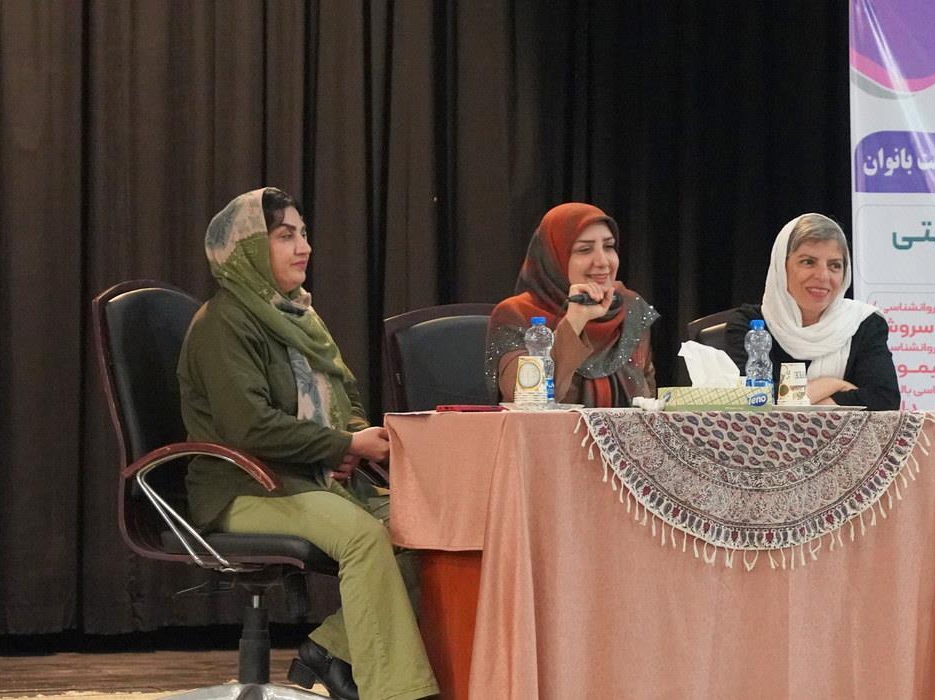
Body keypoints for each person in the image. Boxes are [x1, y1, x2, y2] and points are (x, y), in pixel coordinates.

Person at [177, 188, 438, 700]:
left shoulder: (299, 316)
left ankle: (330, 651)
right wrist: (340, 444)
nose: (304, 247)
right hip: (242, 487)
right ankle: (395, 693)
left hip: (302, 477)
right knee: (364, 537)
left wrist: (347, 442)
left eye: (303, 233)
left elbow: (345, 398)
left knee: (426, 528)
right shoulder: (223, 323)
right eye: (285, 236)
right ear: (249, 249)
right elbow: (250, 428)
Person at [486, 202, 660, 407]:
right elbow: (525, 398)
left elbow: (649, 399)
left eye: (609, 246)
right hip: (548, 428)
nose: (603, 262)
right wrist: (574, 322)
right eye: (584, 249)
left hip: (626, 428)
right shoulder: (515, 313)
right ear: (553, 257)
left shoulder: (629, 306)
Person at [724, 213, 899, 410]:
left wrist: (803, 408)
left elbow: (884, 399)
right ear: (781, 266)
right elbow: (748, 399)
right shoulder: (750, 325)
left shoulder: (862, 323)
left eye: (835, 265)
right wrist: (832, 385)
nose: (823, 276)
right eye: (808, 262)